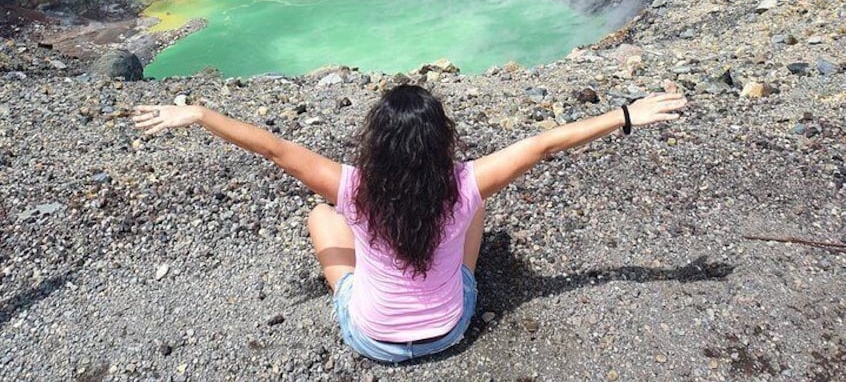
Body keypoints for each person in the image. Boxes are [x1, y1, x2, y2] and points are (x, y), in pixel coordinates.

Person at [134, 85, 686, 362]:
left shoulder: (353, 187)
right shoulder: (464, 182)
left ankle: (359, 295)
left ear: (379, 141)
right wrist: (626, 114)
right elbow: (542, 144)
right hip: (451, 330)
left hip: (371, 339)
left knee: (321, 215)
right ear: (439, 140)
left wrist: (200, 115)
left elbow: (276, 149)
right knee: (478, 206)